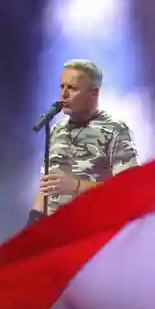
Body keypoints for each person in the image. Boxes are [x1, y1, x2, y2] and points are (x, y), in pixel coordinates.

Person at [29, 59, 139, 223]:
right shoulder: (57, 130)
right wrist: (33, 220)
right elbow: (46, 186)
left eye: (72, 88)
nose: (64, 95)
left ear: (93, 93)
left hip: (91, 228)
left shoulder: (115, 129)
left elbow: (128, 188)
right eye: (62, 86)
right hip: (53, 229)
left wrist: (76, 185)